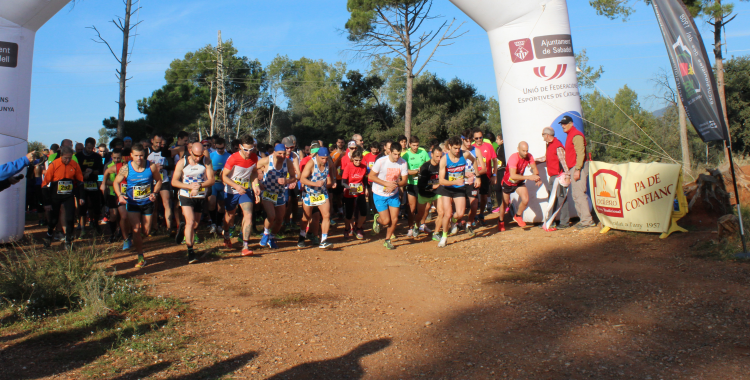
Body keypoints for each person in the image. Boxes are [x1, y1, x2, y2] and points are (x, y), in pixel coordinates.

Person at [113, 144, 162, 268]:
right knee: (136, 229)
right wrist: (119, 195)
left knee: (146, 232)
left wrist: (154, 193)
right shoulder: (126, 169)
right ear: (131, 155)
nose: (139, 158)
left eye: (141, 155)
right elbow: (116, 182)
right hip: (133, 203)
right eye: (136, 156)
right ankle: (140, 256)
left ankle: (138, 241)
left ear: (144, 155)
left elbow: (159, 180)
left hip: (147, 203)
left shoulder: (151, 166)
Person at [172, 142, 215, 264]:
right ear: (190, 152)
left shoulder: (206, 161)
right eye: (196, 155)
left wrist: (199, 185)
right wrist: (189, 187)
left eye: (200, 155)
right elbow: (174, 181)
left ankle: (182, 226)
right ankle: (190, 251)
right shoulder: (182, 162)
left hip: (200, 196)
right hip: (186, 195)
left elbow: (211, 180)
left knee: (195, 224)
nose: (198, 158)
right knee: (190, 222)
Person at [222, 134, 260, 256]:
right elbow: (223, 176)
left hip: (245, 190)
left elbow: (254, 173)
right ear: (240, 147)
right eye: (246, 149)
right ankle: (226, 235)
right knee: (230, 217)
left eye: (251, 149)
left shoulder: (254, 158)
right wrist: (236, 186)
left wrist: (256, 187)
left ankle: (245, 246)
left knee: (248, 215)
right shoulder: (233, 158)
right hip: (231, 191)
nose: (249, 152)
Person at [435, 137, 476, 247]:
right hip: (447, 189)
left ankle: (454, 221)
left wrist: (476, 174)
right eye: (455, 148)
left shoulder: (465, 154)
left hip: (459, 188)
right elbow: (441, 180)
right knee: (447, 213)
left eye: (458, 148)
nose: (457, 151)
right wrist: (455, 182)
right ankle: (444, 237)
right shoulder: (444, 159)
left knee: (461, 213)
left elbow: (474, 160)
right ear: (449, 147)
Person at [256, 143, 297, 249]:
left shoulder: (287, 162)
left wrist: (287, 180)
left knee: (279, 219)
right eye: (279, 154)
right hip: (267, 192)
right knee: (271, 216)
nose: (282, 156)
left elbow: (294, 177)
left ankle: (272, 237)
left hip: (280, 193)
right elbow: (252, 170)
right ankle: (265, 234)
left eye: (284, 154)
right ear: (274, 152)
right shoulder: (266, 160)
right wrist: (258, 181)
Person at [41, 146, 83, 249]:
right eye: (65, 158)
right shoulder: (54, 165)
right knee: (54, 219)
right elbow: (44, 184)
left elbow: (80, 181)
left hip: (68, 195)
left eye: (69, 158)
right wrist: (47, 202)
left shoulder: (75, 165)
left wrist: (82, 196)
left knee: (69, 218)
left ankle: (68, 241)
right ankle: (49, 235)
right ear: (61, 156)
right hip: (55, 195)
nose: (67, 160)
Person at [369, 143, 408, 250]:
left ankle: (387, 240)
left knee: (394, 220)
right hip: (379, 193)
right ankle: (377, 220)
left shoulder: (403, 163)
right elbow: (371, 176)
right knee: (386, 221)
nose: (397, 157)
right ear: (390, 151)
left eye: (399, 154)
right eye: (395, 154)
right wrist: (386, 184)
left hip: (393, 194)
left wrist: (394, 185)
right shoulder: (381, 161)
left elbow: (404, 181)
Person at [560, 116, 595, 229]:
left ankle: (587, 221)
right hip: (574, 167)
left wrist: (578, 169)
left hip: (578, 167)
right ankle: (583, 220)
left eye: (565, 123)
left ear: (571, 123)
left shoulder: (576, 135)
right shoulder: (570, 135)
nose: (563, 126)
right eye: (562, 124)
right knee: (576, 195)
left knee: (579, 194)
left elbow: (580, 153)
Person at [498, 141, 542, 232]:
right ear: (518, 149)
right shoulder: (514, 158)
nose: (526, 153)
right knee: (505, 203)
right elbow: (513, 176)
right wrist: (529, 177)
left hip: (519, 182)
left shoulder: (529, 156)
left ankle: (518, 216)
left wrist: (537, 177)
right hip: (508, 182)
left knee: (525, 199)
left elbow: (534, 168)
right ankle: (501, 221)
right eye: (523, 151)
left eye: (527, 150)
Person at [300, 146, 334, 249]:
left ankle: (323, 240)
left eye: (326, 158)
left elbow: (332, 169)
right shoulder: (311, 164)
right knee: (306, 217)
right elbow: (302, 179)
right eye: (322, 158)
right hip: (309, 193)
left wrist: (333, 180)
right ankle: (301, 237)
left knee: (326, 215)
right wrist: (315, 183)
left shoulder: (329, 162)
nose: (324, 160)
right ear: (318, 156)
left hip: (322, 193)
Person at [537, 127, 570, 231]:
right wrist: (535, 160)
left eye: (543, 135)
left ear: (547, 135)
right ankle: (551, 222)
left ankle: (564, 222)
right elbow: (547, 157)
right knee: (552, 199)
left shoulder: (557, 146)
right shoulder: (550, 145)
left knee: (561, 199)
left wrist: (567, 175)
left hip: (559, 177)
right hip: (553, 176)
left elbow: (563, 161)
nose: (542, 137)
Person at [401, 136, 430, 237]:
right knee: (412, 208)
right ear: (409, 145)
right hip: (411, 184)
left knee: (426, 206)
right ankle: (410, 228)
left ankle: (422, 224)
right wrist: (416, 171)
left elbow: (429, 165)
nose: (416, 147)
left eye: (417, 145)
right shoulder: (406, 155)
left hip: (423, 184)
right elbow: (404, 171)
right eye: (413, 145)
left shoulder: (423, 152)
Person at [148, 133, 177, 235]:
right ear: (152, 141)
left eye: (160, 143)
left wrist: (163, 166)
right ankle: (155, 228)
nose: (159, 145)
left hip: (163, 181)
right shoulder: (147, 151)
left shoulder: (165, 152)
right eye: (157, 142)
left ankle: (169, 228)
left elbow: (172, 166)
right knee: (154, 206)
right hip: (151, 182)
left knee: (167, 203)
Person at [75, 138, 104, 237]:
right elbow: (75, 170)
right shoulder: (78, 156)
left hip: (93, 183)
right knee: (82, 205)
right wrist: (83, 173)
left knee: (96, 205)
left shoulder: (97, 156)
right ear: (85, 145)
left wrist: (91, 171)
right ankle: (82, 228)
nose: (89, 150)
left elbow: (100, 170)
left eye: (91, 148)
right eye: (88, 148)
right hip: (82, 184)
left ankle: (95, 224)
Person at [101, 149, 129, 243]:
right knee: (113, 215)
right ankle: (112, 234)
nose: (117, 159)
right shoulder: (110, 166)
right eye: (114, 158)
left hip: (126, 194)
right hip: (113, 193)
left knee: (124, 216)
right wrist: (114, 183)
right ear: (111, 157)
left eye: (119, 158)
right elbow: (105, 175)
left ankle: (124, 233)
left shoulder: (128, 164)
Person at [415, 146, 443, 241]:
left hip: (436, 193)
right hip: (424, 194)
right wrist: (432, 186)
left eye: (440, 156)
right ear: (431, 155)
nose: (439, 159)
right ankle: (416, 226)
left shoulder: (442, 165)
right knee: (420, 214)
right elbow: (420, 184)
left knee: (441, 212)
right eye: (437, 156)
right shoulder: (425, 167)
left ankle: (436, 233)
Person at [472, 128, 498, 225]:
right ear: (473, 139)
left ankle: (481, 214)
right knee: (474, 197)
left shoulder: (488, 146)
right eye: (476, 138)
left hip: (486, 175)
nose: (479, 140)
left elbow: (495, 160)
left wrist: (494, 175)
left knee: (484, 198)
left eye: (480, 137)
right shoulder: (471, 148)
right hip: (474, 176)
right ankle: (473, 216)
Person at [342, 147, 367, 239]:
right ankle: (347, 228)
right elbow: (343, 182)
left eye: (360, 160)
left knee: (364, 212)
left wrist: (366, 188)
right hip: (350, 192)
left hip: (360, 192)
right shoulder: (348, 167)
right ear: (352, 159)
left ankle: (358, 228)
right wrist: (349, 187)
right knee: (349, 214)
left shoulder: (363, 167)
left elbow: (364, 179)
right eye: (356, 160)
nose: (358, 162)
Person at [209, 137, 231, 235]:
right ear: (215, 147)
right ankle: (213, 223)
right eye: (218, 148)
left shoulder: (229, 156)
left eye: (222, 148)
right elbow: (206, 169)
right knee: (212, 202)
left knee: (221, 205)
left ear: (225, 146)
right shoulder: (211, 155)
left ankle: (218, 224)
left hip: (223, 184)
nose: (220, 150)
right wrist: (212, 173)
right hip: (213, 184)